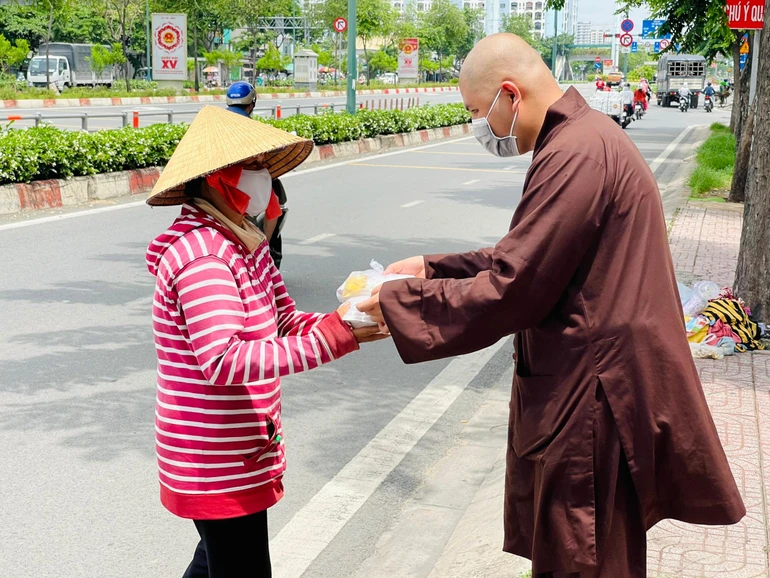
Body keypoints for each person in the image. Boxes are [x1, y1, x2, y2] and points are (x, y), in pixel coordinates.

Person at [359, 33, 745, 577]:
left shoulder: (577, 150)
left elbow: (517, 284)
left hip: (593, 393)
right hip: (592, 382)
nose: (480, 128)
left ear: (510, 95)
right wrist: (433, 267)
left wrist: (399, 302)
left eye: (477, 112)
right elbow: (533, 253)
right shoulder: (581, 138)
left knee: (581, 559)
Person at [145, 106, 387, 578]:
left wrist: (347, 317)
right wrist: (337, 338)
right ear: (218, 179)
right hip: (215, 457)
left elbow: (284, 320)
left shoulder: (242, 244)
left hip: (238, 449)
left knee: (214, 561)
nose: (266, 183)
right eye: (255, 168)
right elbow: (223, 358)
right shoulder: (206, 258)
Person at [226, 81, 283, 243]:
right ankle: (265, 246)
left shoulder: (217, 124)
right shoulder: (251, 128)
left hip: (213, 177)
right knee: (274, 205)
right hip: (236, 176)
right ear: (252, 104)